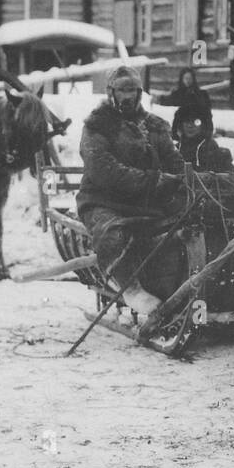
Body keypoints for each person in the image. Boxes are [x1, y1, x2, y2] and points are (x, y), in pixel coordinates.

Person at [76, 65, 185, 314]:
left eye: (132, 91)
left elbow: (173, 159)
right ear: (111, 92)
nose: (127, 96)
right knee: (112, 233)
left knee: (192, 221)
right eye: (122, 90)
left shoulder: (155, 126)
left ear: (140, 93)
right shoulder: (97, 126)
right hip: (103, 201)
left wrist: (182, 177)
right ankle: (131, 289)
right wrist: (153, 181)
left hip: (148, 201)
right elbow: (104, 171)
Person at [162, 68, 213, 133]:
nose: (188, 81)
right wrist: (160, 99)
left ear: (193, 79)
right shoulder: (178, 93)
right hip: (183, 123)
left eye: (190, 78)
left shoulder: (200, 93)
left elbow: (207, 109)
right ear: (182, 79)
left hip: (197, 121)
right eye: (185, 78)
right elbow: (170, 101)